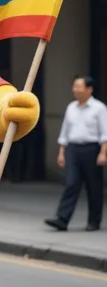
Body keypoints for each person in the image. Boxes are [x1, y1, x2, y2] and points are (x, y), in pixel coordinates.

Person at [45, 76, 107, 231]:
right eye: (74, 86)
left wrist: (103, 153)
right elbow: (65, 132)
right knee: (71, 183)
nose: (75, 89)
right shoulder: (71, 107)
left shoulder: (99, 108)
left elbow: (104, 133)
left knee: (94, 186)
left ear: (89, 89)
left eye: (78, 86)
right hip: (72, 149)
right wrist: (61, 152)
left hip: (91, 149)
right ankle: (62, 219)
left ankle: (94, 221)